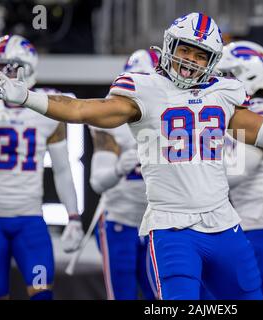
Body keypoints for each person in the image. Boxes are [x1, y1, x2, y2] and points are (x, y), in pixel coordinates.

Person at [0, 13, 263, 300]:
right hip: (172, 227)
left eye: (200, 55)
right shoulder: (144, 89)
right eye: (185, 50)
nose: (190, 60)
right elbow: (83, 111)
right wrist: (29, 98)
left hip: (224, 224)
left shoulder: (222, 94)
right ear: (170, 46)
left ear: (212, 61)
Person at [0, 35, 84, 299]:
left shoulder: (47, 106)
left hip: (29, 220)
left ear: (25, 69)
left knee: (42, 293)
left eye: (5, 67)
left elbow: (63, 168)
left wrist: (73, 217)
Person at [217, 40, 263, 300]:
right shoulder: (241, 110)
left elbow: (240, 169)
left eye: (226, 74)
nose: (219, 81)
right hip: (247, 220)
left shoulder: (262, 109)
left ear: (247, 74)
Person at [90, 49, 157, 300]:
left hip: (157, 222)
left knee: (161, 296)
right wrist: (119, 169)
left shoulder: (171, 117)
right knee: (122, 295)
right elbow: (98, 182)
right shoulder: (111, 120)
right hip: (120, 220)